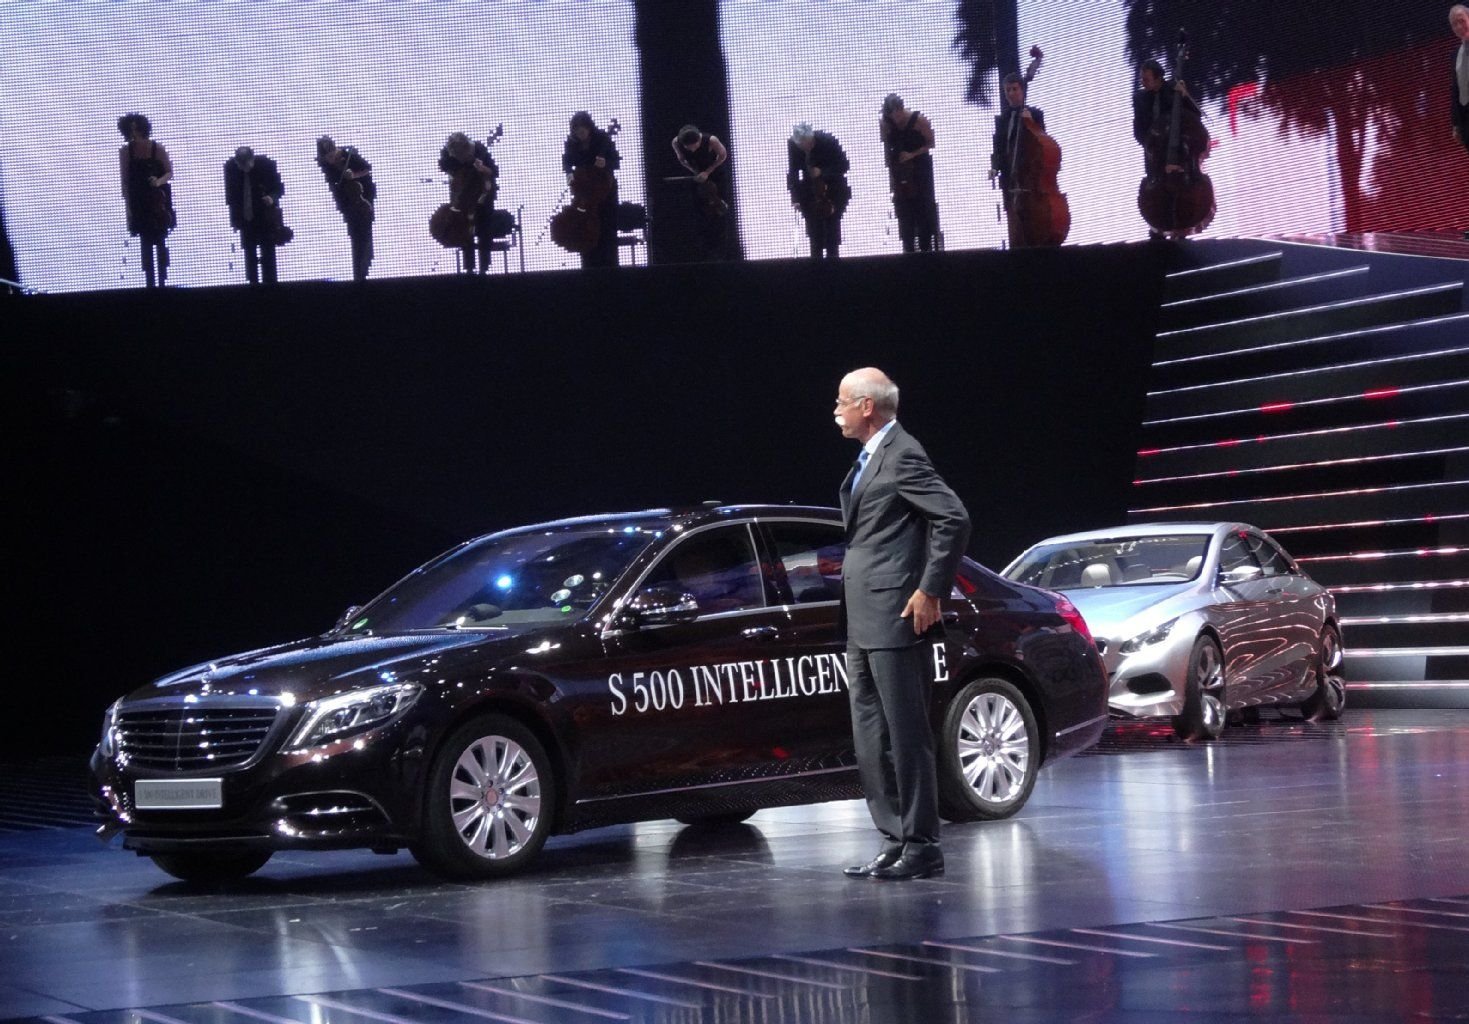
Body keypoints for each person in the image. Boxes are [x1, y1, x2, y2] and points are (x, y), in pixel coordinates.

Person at [834, 367, 970, 882]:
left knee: (905, 732)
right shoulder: (871, 458)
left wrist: (930, 588)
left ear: (867, 406)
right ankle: (894, 838)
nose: (836, 409)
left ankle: (923, 843)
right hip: (861, 615)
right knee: (871, 735)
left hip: (895, 613)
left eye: (842, 401)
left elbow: (953, 517)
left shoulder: (904, 452)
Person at [117, 113, 175, 288]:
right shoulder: (126, 151)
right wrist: (127, 208)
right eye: (131, 129)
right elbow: (125, 181)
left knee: (161, 237)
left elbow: (169, 172)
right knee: (145, 242)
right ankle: (150, 282)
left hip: (159, 200)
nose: (134, 132)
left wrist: (158, 182)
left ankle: (163, 279)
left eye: (136, 128)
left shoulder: (157, 148)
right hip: (138, 201)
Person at [562, 111, 622, 268]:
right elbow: (567, 163)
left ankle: (610, 266)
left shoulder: (602, 139)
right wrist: (569, 176)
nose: (580, 134)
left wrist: (606, 163)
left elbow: (615, 162)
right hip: (583, 193)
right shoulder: (571, 144)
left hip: (605, 193)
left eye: (582, 131)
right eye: (577, 132)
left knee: (607, 229)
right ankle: (588, 266)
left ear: (589, 128)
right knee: (585, 229)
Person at [880, 95, 939, 253]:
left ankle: (926, 250)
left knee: (923, 213)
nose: (896, 117)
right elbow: (886, 145)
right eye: (892, 114)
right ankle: (908, 251)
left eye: (897, 113)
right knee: (905, 217)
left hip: (920, 169)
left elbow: (931, 143)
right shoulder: (886, 123)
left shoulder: (919, 120)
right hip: (900, 173)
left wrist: (912, 154)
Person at [316, 135, 376, 281]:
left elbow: (367, 168)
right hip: (347, 206)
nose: (331, 160)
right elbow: (333, 183)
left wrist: (354, 174)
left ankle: (365, 269)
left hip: (363, 201)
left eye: (332, 155)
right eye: (328, 157)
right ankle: (358, 272)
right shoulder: (327, 167)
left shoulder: (350, 156)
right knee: (355, 236)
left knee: (365, 235)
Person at [438, 131, 499, 274]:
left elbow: (494, 172)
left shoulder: (479, 150)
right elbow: (444, 166)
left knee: (484, 230)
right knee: (464, 232)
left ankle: (484, 268)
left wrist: (481, 168)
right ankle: (469, 269)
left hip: (483, 199)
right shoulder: (447, 155)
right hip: (461, 199)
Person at [787, 123, 851, 259]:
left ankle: (833, 265)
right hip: (810, 195)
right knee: (814, 237)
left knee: (832, 235)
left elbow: (844, 165)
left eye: (809, 143)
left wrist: (822, 172)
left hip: (833, 191)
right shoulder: (793, 146)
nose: (806, 148)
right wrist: (795, 198)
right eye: (802, 146)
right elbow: (793, 173)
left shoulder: (828, 141)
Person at [223, 146, 285, 285]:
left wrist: (271, 198)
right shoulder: (231, 169)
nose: (245, 168)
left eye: (247, 164)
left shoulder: (266, 165)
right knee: (250, 257)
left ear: (252, 159)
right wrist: (235, 220)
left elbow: (279, 188)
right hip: (245, 221)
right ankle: (253, 288)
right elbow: (230, 196)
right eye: (241, 165)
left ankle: (271, 287)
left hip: (265, 219)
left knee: (268, 255)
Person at [671, 124, 729, 255]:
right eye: (688, 148)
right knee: (700, 209)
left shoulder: (711, 140)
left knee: (720, 207)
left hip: (715, 173)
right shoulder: (676, 142)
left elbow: (723, 155)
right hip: (697, 174)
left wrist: (708, 172)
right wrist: (696, 173)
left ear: (699, 140)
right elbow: (682, 160)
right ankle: (703, 247)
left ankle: (722, 247)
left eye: (695, 146)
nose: (692, 150)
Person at [988, 74, 1045, 204]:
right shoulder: (1002, 120)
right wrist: (994, 167)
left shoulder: (1036, 114)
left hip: (1031, 177)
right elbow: (998, 148)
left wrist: (1031, 123)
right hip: (1010, 179)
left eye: (1014, 89)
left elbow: (1042, 141)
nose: (1011, 93)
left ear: (1022, 90)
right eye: (1008, 90)